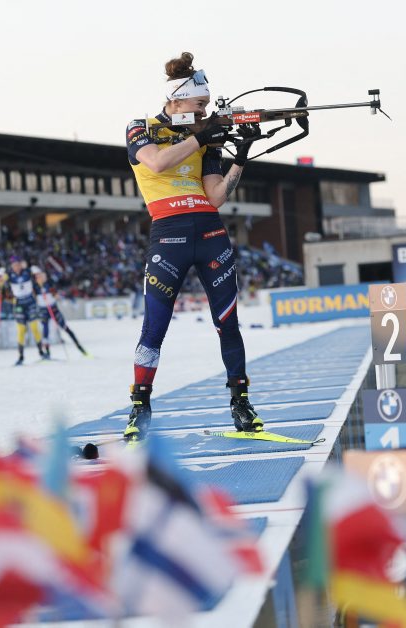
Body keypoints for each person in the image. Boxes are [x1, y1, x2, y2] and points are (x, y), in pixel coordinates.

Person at [122, 51, 261, 442]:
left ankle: (241, 403)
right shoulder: (141, 128)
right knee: (154, 327)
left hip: (210, 232)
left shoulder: (206, 139)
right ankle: (139, 407)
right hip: (168, 236)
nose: (203, 111)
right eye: (199, 104)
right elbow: (157, 163)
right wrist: (201, 135)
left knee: (228, 322)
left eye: (206, 106)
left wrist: (241, 156)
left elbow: (215, 196)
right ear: (177, 100)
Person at [31, 265, 89, 357]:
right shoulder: (34, 286)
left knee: (65, 327)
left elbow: (55, 294)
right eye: (37, 276)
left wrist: (53, 293)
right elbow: (33, 297)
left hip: (53, 309)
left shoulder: (49, 283)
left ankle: (80, 347)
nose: (39, 277)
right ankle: (47, 353)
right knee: (45, 330)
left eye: (40, 275)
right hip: (43, 310)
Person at [5, 256, 47, 365]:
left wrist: (38, 273)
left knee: (34, 328)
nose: (16, 267)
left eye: (18, 264)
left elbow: (42, 279)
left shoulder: (28, 271)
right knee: (21, 330)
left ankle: (41, 352)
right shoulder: (9, 274)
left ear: (21, 264)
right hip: (18, 304)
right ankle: (21, 357)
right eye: (14, 265)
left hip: (30, 302)